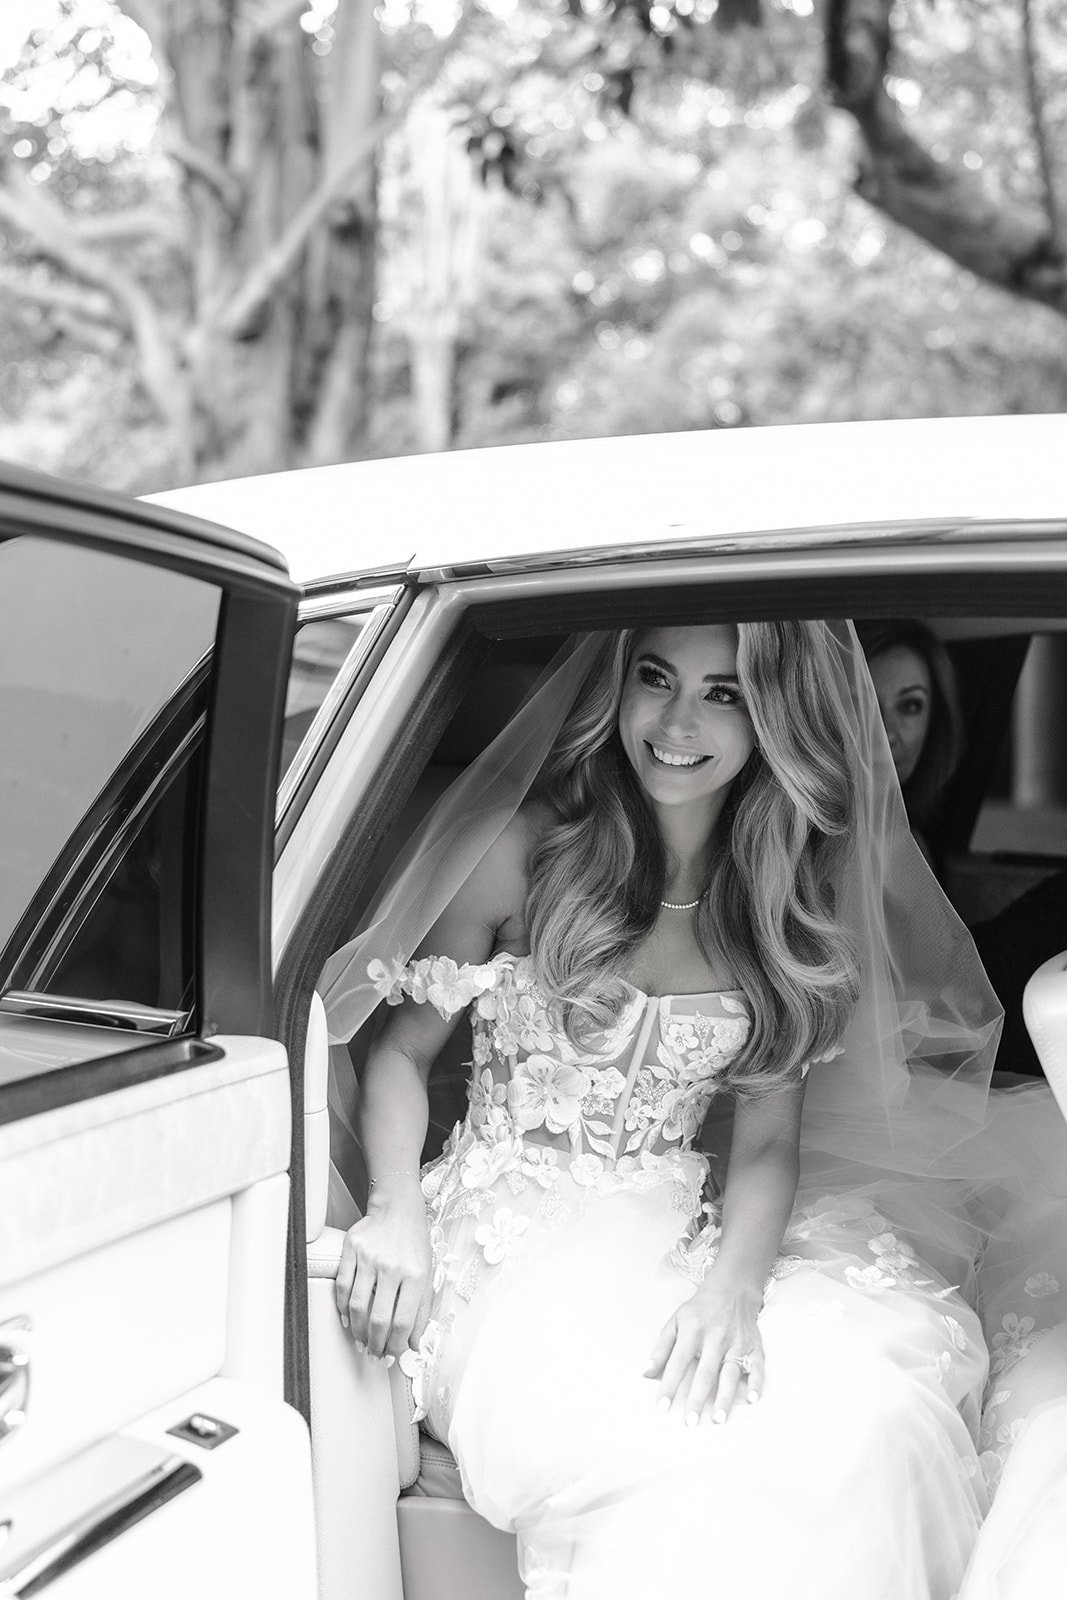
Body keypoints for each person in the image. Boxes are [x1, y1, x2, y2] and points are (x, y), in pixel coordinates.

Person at [320, 621, 1067, 1600]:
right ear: (618, 685)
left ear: (772, 718)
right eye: (655, 678)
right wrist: (393, 1209)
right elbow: (399, 1053)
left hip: (675, 1239)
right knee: (676, 1444)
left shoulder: (775, 903)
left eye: (723, 693)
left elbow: (764, 1144)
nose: (675, 722)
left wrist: (732, 1290)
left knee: (862, 1403)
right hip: (505, 1252)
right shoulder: (518, 852)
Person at [855, 618, 963, 861]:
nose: (885, 734)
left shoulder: (911, 845)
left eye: (910, 706)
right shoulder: (790, 847)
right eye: (863, 704)